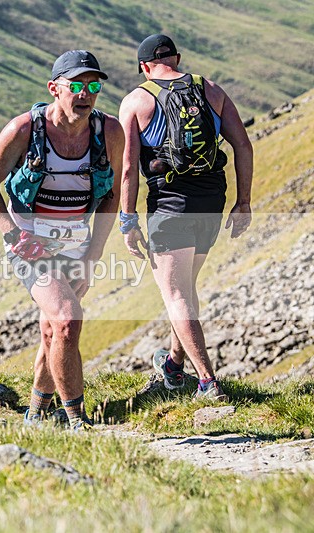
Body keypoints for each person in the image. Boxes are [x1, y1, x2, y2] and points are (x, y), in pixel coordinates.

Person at [0, 50, 124, 430]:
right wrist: (13, 235)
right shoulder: (24, 130)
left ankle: (36, 413)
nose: (85, 93)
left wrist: (94, 253)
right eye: (75, 85)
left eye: (93, 86)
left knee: (52, 329)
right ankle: (77, 420)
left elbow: (112, 195)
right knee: (67, 319)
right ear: (54, 88)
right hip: (30, 242)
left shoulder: (109, 132)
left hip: (77, 242)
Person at [118, 34, 253, 401]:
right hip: (213, 198)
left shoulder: (136, 100)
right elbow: (242, 144)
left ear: (144, 66)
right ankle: (174, 367)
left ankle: (207, 382)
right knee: (186, 290)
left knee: (175, 294)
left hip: (170, 205)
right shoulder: (211, 89)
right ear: (177, 58)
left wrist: (127, 221)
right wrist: (244, 202)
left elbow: (129, 168)